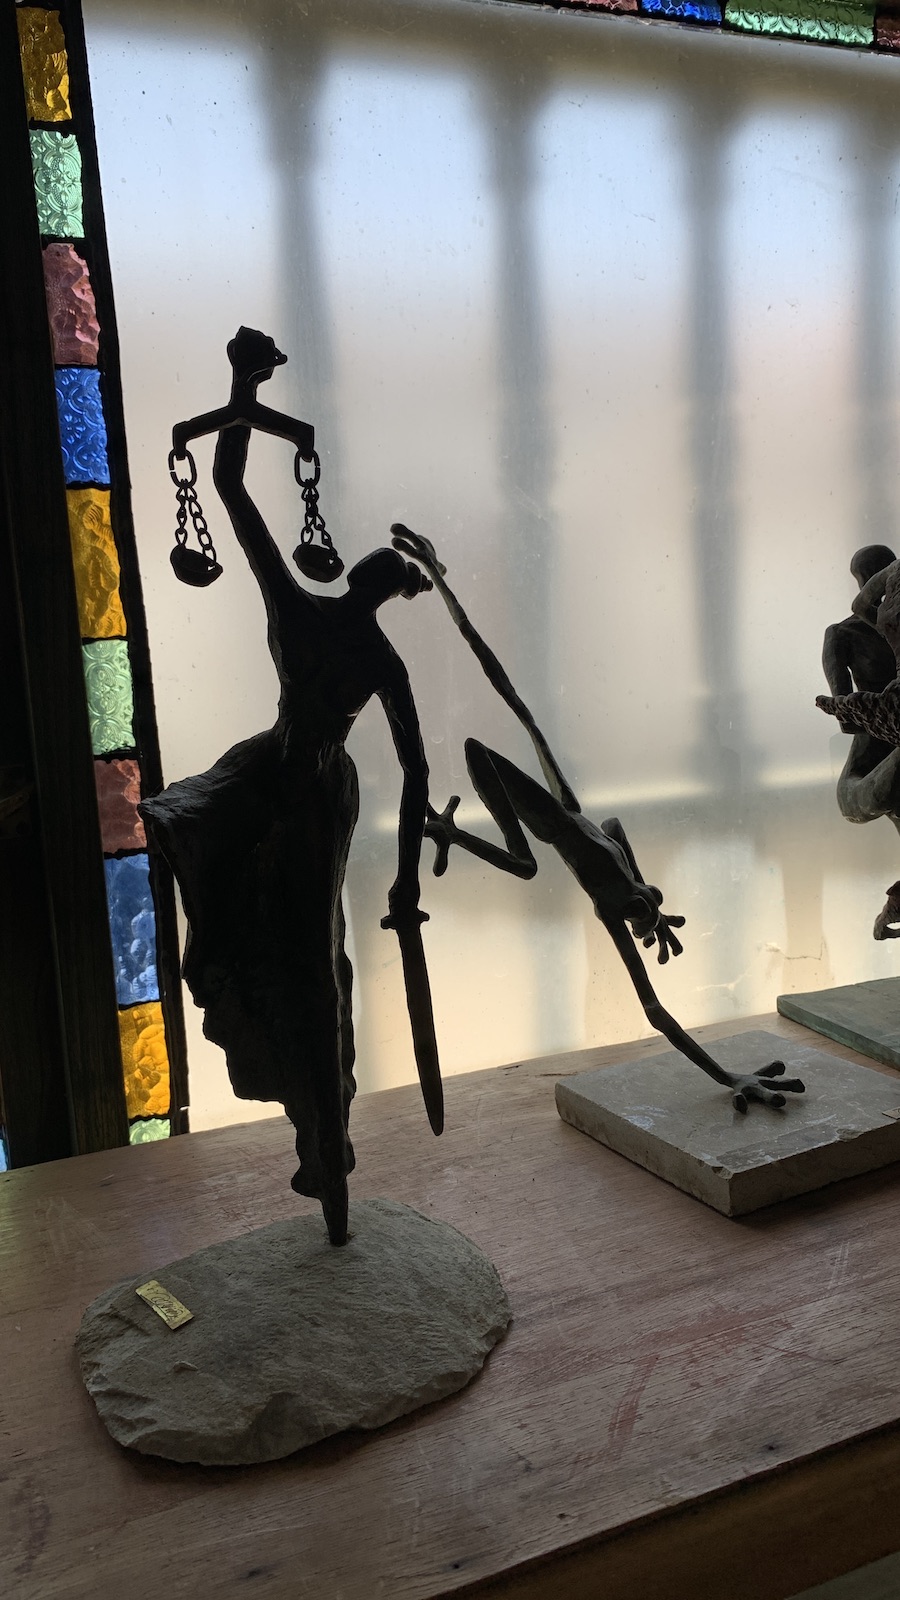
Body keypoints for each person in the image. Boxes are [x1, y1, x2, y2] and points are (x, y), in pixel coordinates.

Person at [141, 331, 435, 1246]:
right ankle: (323, 1135)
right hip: (297, 788)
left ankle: (324, 1142)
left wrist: (241, 397)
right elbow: (418, 768)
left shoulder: (300, 612)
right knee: (306, 961)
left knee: (311, 962)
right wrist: (406, 877)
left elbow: (231, 491)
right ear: (391, 595)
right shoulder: (378, 657)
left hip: (282, 781)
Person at [391, 524, 804, 1112]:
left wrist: (728, 1075)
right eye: (646, 906)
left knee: (521, 842)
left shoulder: (613, 910)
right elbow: (611, 828)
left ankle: (458, 833)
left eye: (640, 912)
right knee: (515, 702)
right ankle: (436, 572)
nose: (642, 908)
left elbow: (654, 1010)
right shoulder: (631, 887)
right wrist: (645, 891)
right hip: (566, 808)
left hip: (553, 822)